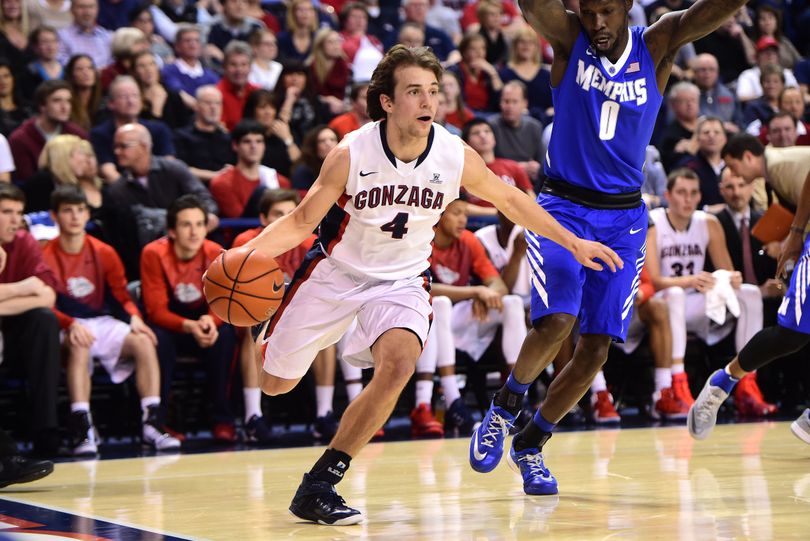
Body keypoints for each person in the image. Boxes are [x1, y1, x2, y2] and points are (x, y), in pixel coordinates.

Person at [238, 44, 619, 524]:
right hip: (336, 272)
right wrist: (244, 254)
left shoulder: (453, 153)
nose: (427, 102)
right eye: (414, 91)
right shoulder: (350, 153)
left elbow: (511, 200)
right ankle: (270, 329)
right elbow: (300, 221)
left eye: (433, 92)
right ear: (388, 102)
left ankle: (320, 483)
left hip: (402, 280)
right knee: (274, 384)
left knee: (399, 364)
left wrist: (572, 242)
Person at [469, 0, 754, 497]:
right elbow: (534, 7)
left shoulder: (657, 44)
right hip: (562, 209)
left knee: (596, 348)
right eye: (588, 12)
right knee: (558, 321)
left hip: (623, 217)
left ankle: (531, 444)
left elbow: (706, 15)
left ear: (625, 7)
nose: (596, 24)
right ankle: (505, 407)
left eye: (606, 12)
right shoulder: (569, 39)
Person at [689, 133, 810, 444]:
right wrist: (794, 236)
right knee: (792, 334)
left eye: (734, 168)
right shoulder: (780, 166)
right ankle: (723, 381)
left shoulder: (777, 169)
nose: (736, 176)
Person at [43, 186, 181, 455]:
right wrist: (68, 324)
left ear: (87, 215)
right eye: (67, 210)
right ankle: (82, 428)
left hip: (101, 321)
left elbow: (121, 295)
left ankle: (151, 424)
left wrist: (135, 318)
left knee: (143, 341)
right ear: (54, 216)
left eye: (80, 210)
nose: (74, 216)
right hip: (65, 323)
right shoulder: (45, 254)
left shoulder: (103, 252)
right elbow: (46, 303)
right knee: (79, 344)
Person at [647, 169, 771, 416]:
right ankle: (677, 383)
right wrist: (691, 280)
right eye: (681, 193)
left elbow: (728, 273)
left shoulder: (708, 223)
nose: (687, 199)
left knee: (749, 293)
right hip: (663, 304)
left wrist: (730, 278)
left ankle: (747, 384)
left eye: (693, 193)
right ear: (667, 195)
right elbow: (654, 281)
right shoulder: (654, 221)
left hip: (695, 304)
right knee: (675, 294)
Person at [140, 195, 237, 441]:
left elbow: (224, 301)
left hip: (202, 321)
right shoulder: (153, 253)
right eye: (186, 225)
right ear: (172, 230)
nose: (194, 232)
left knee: (226, 335)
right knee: (156, 340)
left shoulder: (216, 252)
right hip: (170, 325)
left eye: (199, 224)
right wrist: (189, 326)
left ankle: (223, 420)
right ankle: (160, 422)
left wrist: (210, 322)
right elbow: (155, 310)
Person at [0, 184, 62, 457]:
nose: (15, 220)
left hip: (13, 340)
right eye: (5, 212)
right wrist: (24, 286)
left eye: (19, 212)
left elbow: (47, 296)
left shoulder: (24, 241)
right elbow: (35, 288)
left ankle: (46, 430)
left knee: (44, 319)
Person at [8, 80, 87, 184]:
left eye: (68, 101)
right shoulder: (20, 139)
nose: (65, 107)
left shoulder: (77, 134)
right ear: (42, 106)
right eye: (57, 101)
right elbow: (25, 182)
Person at [209, 120, 290, 218]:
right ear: (235, 145)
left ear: (264, 145)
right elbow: (240, 221)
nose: (254, 146)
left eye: (259, 141)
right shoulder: (222, 183)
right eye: (247, 141)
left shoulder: (282, 182)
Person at [174, 86, 234, 184]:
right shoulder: (181, 136)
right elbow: (181, 169)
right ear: (196, 106)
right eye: (208, 103)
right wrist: (217, 175)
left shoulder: (228, 138)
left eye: (217, 103)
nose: (213, 107)